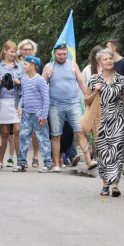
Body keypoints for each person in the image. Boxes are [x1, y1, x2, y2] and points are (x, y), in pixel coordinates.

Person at [86, 49, 124, 196]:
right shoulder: (94, 79)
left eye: (110, 59)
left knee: (116, 150)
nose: (108, 61)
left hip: (118, 118)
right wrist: (96, 91)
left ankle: (115, 185)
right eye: (105, 59)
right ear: (99, 62)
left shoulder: (122, 80)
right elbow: (86, 100)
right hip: (100, 120)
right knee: (102, 152)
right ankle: (105, 184)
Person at [43, 44, 94, 172]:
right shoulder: (49, 67)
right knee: (56, 135)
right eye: (59, 54)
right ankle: (56, 164)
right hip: (55, 105)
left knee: (81, 131)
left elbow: (82, 83)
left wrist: (89, 99)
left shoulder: (73, 65)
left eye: (64, 54)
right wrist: (47, 76)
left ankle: (89, 161)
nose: (62, 56)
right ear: (54, 54)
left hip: (73, 104)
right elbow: (42, 87)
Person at [0, 41, 23, 170]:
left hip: (16, 102)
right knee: (3, 132)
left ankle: (20, 161)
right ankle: (0, 161)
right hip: (2, 102)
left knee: (17, 130)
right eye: (11, 51)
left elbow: (26, 82)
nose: (13, 54)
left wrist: (19, 82)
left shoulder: (20, 66)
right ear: (4, 50)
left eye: (15, 52)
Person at [16, 56, 52, 172]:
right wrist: (20, 106)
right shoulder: (24, 79)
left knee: (43, 138)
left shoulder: (40, 80)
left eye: (25, 64)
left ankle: (47, 163)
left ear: (32, 66)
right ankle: (22, 163)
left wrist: (44, 116)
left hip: (38, 113)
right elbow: (24, 95)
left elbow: (46, 99)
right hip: (26, 113)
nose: (23, 66)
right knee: (23, 137)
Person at [17, 39, 42, 167]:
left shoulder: (37, 62)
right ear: (20, 50)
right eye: (25, 49)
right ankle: (20, 159)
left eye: (29, 49)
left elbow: (40, 79)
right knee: (21, 132)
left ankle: (35, 156)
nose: (27, 51)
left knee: (35, 131)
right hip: (18, 99)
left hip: (34, 101)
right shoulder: (15, 61)